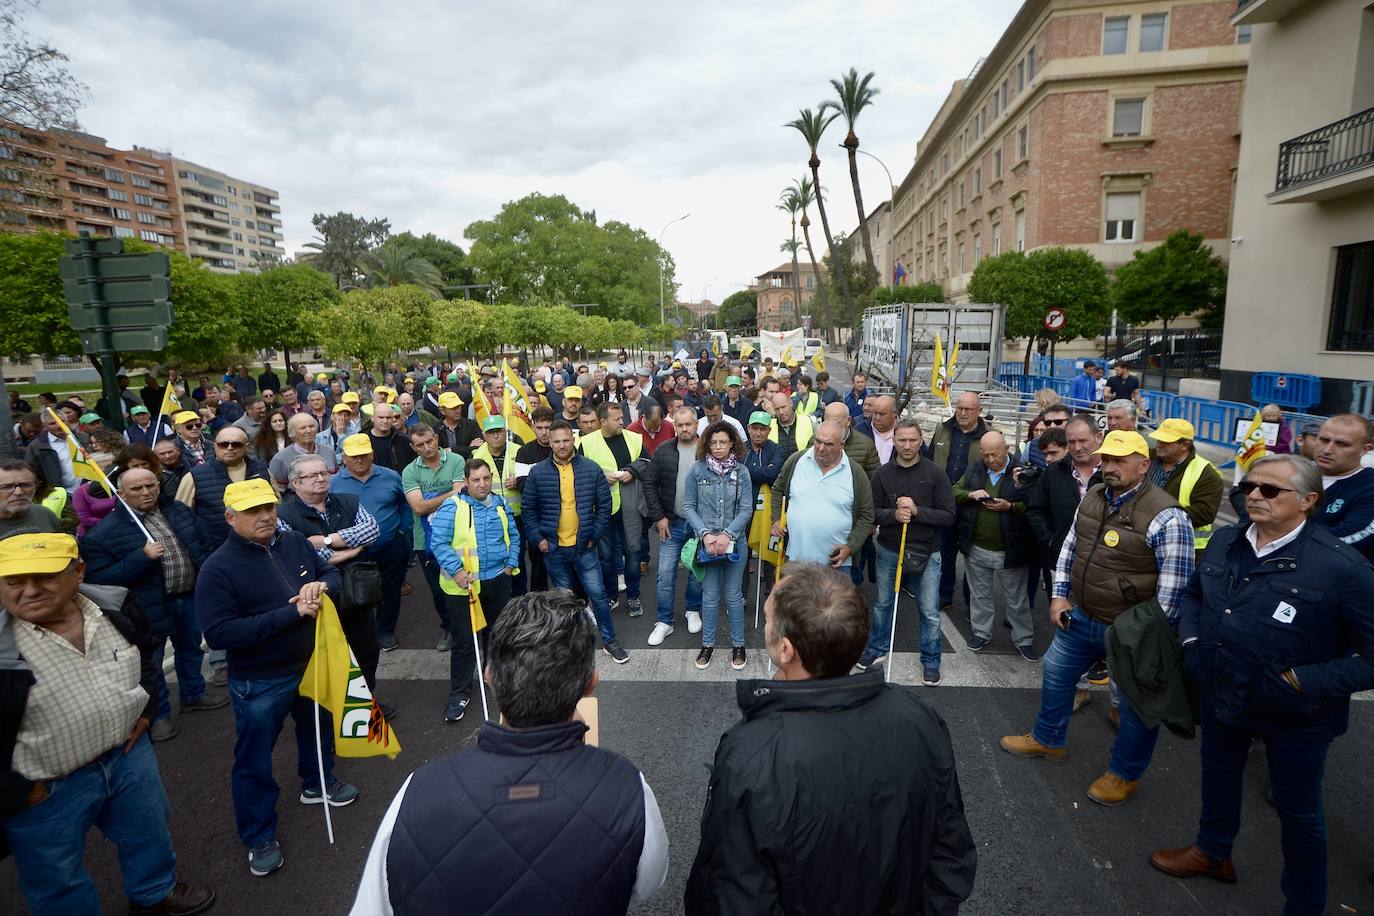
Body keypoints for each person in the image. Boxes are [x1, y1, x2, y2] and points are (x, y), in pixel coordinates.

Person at [1149, 455, 1374, 913]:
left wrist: (1302, 681)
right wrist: (1192, 641)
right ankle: (1212, 852)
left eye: (1270, 490)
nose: (1253, 495)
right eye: (1251, 486)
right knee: (1218, 779)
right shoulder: (1228, 540)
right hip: (1222, 691)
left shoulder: (1342, 569)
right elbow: (1195, 595)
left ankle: (1305, 903)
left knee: (1299, 812)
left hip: (1296, 713)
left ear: (1309, 501)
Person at [352, 589, 667, 915]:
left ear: (488, 676)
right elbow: (647, 883)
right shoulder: (629, 788)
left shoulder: (414, 793)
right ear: (591, 683)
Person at [684, 563, 975, 913]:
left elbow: (731, 893)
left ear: (786, 650)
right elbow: (950, 853)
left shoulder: (750, 755)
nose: (765, 619)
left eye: (769, 617)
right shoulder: (919, 718)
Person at [0, 533, 216, 916]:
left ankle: (155, 894)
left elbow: (147, 660)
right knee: (56, 877)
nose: (29, 591)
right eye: (13, 581)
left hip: (128, 757)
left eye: (44, 577)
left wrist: (147, 712)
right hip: (47, 786)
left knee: (148, 834)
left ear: (78, 572)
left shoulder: (116, 606)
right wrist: (20, 790)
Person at [1000, 430, 1196, 806]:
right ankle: (1048, 739)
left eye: (1120, 461)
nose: (1110, 467)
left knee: (1137, 706)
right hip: (1082, 616)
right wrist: (1058, 597)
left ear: (1144, 465)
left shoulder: (1166, 515)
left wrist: (1149, 636)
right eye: (1106, 460)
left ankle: (1125, 774)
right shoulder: (1092, 497)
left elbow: (1175, 590)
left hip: (1131, 631)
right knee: (1056, 675)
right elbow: (1069, 549)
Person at [197, 478, 354, 878]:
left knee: (318, 729)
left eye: (268, 507)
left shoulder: (295, 542)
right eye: (252, 511)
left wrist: (323, 585)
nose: (264, 516)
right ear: (231, 517)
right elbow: (220, 634)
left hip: (310, 662)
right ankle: (259, 834)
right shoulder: (217, 569)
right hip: (261, 680)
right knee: (254, 760)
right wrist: (291, 613)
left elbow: (329, 575)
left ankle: (318, 782)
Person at [83, 467, 225, 746]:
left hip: (187, 596)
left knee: (190, 648)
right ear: (120, 493)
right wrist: (141, 558)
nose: (146, 492)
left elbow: (203, 543)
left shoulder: (179, 511)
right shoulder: (103, 534)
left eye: (151, 485)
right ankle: (158, 714)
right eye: (137, 489)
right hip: (148, 607)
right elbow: (98, 580)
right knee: (152, 662)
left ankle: (193, 694)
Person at [276, 453, 383, 698]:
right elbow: (301, 553)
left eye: (324, 473)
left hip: (358, 594)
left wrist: (325, 541)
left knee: (366, 651)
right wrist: (351, 550)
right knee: (328, 656)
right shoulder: (283, 515)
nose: (320, 478)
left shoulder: (349, 501)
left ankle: (367, 708)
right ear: (295, 483)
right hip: (319, 598)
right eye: (312, 475)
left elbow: (372, 530)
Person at [521, 421, 628, 662]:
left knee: (598, 595)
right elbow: (529, 510)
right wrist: (539, 540)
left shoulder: (591, 469)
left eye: (566, 440)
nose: (561, 445)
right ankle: (572, 645)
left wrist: (594, 535)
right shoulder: (538, 472)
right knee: (565, 601)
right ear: (550, 442)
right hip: (554, 549)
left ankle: (609, 641)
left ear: (573, 440)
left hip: (585, 547)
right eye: (556, 441)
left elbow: (604, 506)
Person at [860, 418, 957, 682]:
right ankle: (878, 647)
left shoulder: (936, 474)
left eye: (912, 440)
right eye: (901, 440)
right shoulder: (882, 474)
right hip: (889, 549)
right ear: (894, 441)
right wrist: (894, 515)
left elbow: (949, 515)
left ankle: (931, 658)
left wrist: (917, 512)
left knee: (928, 609)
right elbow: (872, 513)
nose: (907, 445)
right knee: (882, 604)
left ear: (921, 441)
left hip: (927, 552)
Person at [429, 460, 521, 722]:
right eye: (476, 480)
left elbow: (513, 536)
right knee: (464, 643)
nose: (482, 484)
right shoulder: (453, 506)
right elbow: (439, 542)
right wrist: (457, 572)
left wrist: (510, 564)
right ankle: (459, 693)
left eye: (486, 478)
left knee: (496, 636)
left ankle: (494, 677)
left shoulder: (500, 502)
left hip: (497, 581)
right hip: (464, 587)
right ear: (466, 482)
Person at [954, 430, 1037, 659]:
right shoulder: (975, 468)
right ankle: (981, 633)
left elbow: (1034, 506)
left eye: (995, 454)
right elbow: (955, 492)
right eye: (986, 455)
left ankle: (1024, 639)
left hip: (1011, 549)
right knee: (979, 596)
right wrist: (971, 495)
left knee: (1017, 600)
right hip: (978, 548)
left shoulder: (1022, 472)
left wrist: (1009, 506)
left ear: (1007, 449)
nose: (991, 460)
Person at [330, 434, 411, 653]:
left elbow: (404, 505)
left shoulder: (391, 477)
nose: (360, 460)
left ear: (372, 454)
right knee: (355, 593)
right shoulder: (333, 484)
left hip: (391, 546)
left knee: (391, 590)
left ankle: (385, 630)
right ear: (344, 458)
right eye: (354, 456)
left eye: (364, 455)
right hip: (353, 552)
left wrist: (403, 530)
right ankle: (360, 633)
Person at [683, 421, 753, 670]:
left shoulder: (742, 472)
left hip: (735, 544)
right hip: (708, 545)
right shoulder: (697, 471)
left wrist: (727, 535)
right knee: (710, 596)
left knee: (734, 596)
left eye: (723, 442)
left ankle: (739, 645)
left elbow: (746, 509)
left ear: (733, 442)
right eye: (713, 442)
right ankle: (708, 645)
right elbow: (688, 506)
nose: (718, 447)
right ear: (707, 444)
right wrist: (705, 535)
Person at [641, 407, 707, 646]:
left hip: (700, 526)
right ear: (674, 426)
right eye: (680, 425)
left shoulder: (707, 450)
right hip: (672, 523)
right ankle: (664, 622)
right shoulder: (664, 450)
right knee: (665, 573)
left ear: (696, 424)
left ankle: (692, 609)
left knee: (697, 571)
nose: (684, 429)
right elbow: (649, 483)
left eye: (688, 424)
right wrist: (658, 517)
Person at [770, 420, 874, 568]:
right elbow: (778, 490)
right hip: (794, 560)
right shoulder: (796, 461)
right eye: (818, 441)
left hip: (835, 564)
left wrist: (851, 547)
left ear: (842, 445)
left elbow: (866, 515)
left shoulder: (855, 473)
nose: (820, 448)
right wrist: (775, 519)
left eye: (829, 444)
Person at [578, 402, 647, 617]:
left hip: (630, 506)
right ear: (603, 421)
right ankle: (611, 595)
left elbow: (646, 461)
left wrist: (632, 471)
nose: (621, 422)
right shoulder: (586, 442)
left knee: (633, 553)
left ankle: (633, 596)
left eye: (621, 418)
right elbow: (578, 471)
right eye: (616, 419)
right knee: (606, 557)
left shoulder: (634, 438)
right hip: (602, 509)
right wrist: (599, 476)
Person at [401, 424, 466, 650]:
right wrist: (449, 494)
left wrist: (431, 499)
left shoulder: (456, 460)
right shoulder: (410, 471)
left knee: (464, 582)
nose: (427, 448)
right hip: (424, 541)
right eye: (420, 445)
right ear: (413, 447)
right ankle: (449, 628)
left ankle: (468, 627)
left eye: (430, 441)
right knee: (438, 590)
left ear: (436, 438)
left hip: (459, 536)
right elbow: (418, 507)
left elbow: (462, 499)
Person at [926, 391, 987, 608]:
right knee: (945, 552)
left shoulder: (988, 435)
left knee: (973, 557)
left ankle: (972, 601)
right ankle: (944, 595)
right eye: (960, 408)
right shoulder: (942, 429)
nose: (962, 413)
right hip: (944, 504)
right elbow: (930, 460)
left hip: (973, 506)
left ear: (979, 411)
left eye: (968, 409)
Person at [176, 425, 271, 547]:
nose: (230, 448)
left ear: (246, 446)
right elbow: (183, 520)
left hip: (262, 546)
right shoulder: (194, 477)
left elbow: (276, 506)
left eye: (236, 444)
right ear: (215, 446)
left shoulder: (262, 470)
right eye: (223, 444)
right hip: (217, 550)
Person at [1148, 418, 1223, 559]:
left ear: (1185, 445)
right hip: (1144, 542)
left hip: (1183, 548)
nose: (1159, 444)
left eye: (1166, 442)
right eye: (1159, 440)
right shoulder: (1147, 458)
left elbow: (1204, 513)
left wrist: (1157, 517)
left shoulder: (1206, 473)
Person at [1311, 413, 1374, 562]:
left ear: (1365, 449)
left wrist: (1282, 532)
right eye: (1324, 440)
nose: (1327, 450)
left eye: (1342, 444)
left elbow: (1352, 537)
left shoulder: (1369, 485)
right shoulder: (1293, 473)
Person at [269, 411, 338, 493]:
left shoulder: (329, 452)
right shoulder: (280, 459)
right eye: (303, 428)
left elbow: (335, 481)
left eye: (311, 426)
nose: (309, 431)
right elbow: (278, 493)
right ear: (292, 433)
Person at [24, 408, 85, 495]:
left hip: (88, 490)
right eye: (52, 423)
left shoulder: (82, 438)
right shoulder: (37, 446)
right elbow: (30, 472)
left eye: (62, 421)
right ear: (45, 426)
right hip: (61, 495)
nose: (59, 425)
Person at [0, 459, 62, 540]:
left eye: (26, 485)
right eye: (7, 487)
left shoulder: (44, 514)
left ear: (36, 486)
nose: (18, 492)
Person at [767, 392, 814, 458]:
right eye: (777, 409)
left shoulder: (808, 421)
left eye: (783, 407)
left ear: (791, 403)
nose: (781, 412)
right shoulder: (768, 426)